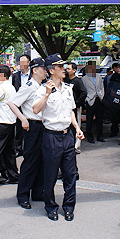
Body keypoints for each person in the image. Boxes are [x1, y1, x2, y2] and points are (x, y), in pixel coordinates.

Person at [33, 53, 84, 221]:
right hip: (51, 137)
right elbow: (35, 110)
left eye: (64, 66)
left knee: (70, 175)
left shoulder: (68, 88)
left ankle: (69, 207)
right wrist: (47, 94)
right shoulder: (42, 89)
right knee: (50, 175)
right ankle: (51, 207)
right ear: (51, 70)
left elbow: (70, 111)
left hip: (67, 136)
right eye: (60, 67)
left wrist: (77, 128)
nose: (64, 69)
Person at [7, 57, 46, 209]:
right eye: (43, 69)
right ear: (35, 70)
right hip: (33, 126)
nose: (45, 71)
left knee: (41, 161)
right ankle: (22, 195)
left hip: (43, 126)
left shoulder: (41, 86)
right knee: (30, 161)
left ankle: (37, 192)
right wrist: (22, 119)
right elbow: (12, 102)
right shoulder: (29, 86)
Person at [64, 62, 88, 151]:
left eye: (69, 69)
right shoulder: (65, 80)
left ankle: (76, 146)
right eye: (66, 69)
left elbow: (84, 92)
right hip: (66, 106)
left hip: (75, 107)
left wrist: (77, 103)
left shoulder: (77, 81)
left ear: (74, 70)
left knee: (76, 125)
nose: (67, 71)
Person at [81, 61, 106, 144]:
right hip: (90, 99)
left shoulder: (99, 77)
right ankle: (89, 136)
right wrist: (86, 99)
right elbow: (83, 90)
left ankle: (100, 136)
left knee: (100, 119)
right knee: (89, 119)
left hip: (99, 99)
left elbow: (102, 87)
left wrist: (102, 95)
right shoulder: (84, 78)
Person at [12, 54, 31, 156]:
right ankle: (18, 148)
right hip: (19, 105)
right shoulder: (15, 76)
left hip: (30, 105)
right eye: (20, 62)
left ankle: (28, 148)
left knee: (30, 127)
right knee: (19, 128)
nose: (21, 64)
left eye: (24, 62)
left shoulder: (33, 75)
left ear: (28, 63)